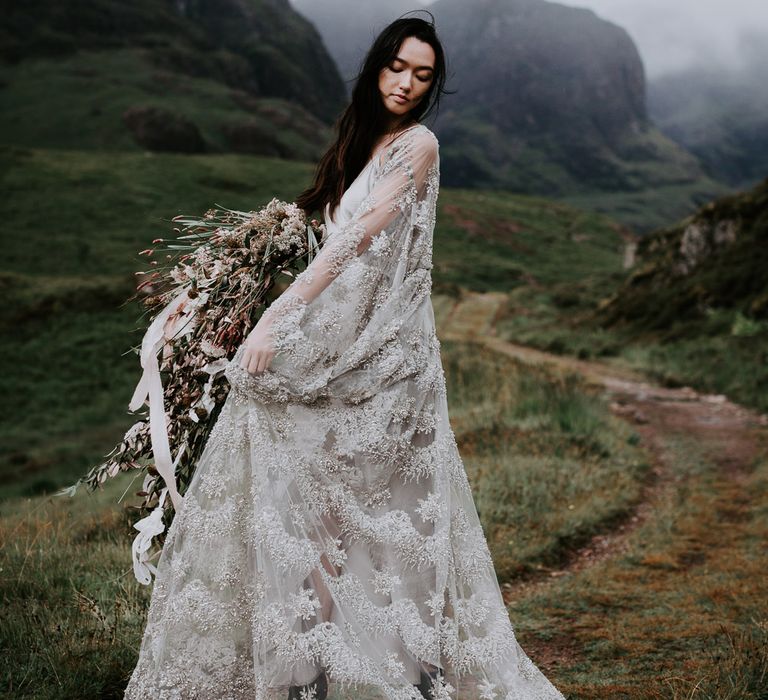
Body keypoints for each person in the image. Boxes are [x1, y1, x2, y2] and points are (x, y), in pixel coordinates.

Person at [124, 14, 567, 700]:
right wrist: (209, 288)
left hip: (386, 363)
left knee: (353, 515)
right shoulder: (362, 142)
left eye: (423, 75)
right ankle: (313, 670)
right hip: (341, 346)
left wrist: (273, 320)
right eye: (398, 67)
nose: (408, 84)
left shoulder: (418, 145)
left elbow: (353, 240)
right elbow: (306, 226)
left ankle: (370, 670)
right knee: (318, 512)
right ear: (377, 67)